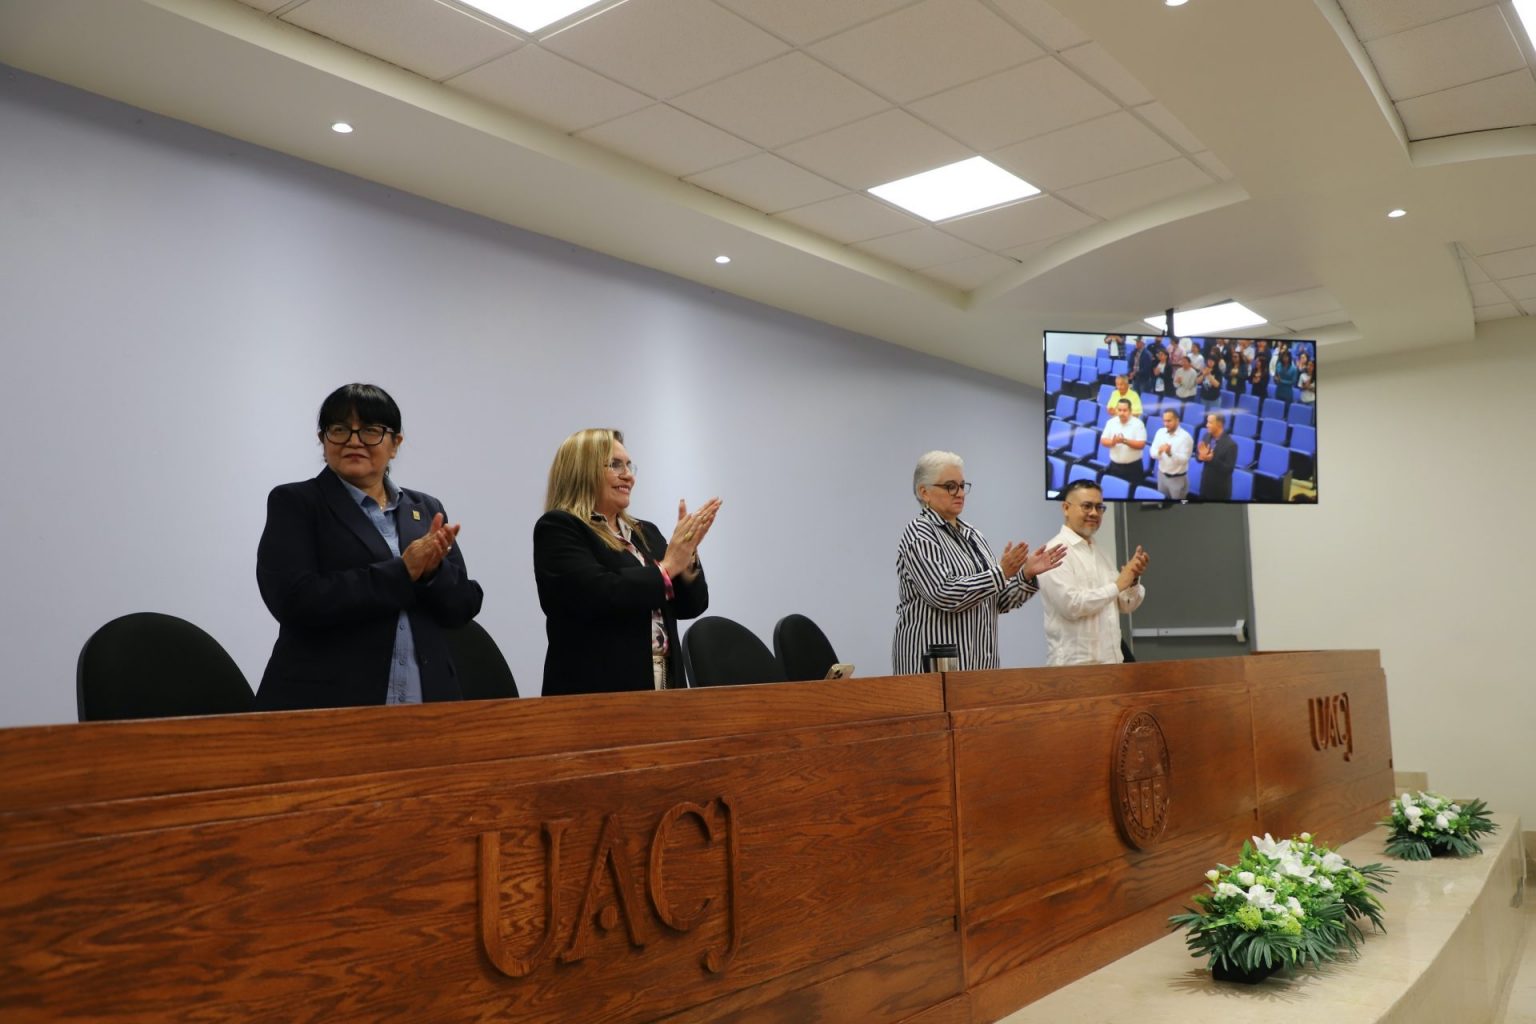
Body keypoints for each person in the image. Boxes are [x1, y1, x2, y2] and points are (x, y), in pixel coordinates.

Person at [255, 383, 483, 710]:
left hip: (427, 703)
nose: (354, 441)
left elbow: (462, 607)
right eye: (339, 429)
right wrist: (403, 571)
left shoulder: (425, 509)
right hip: (329, 704)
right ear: (323, 440)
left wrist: (432, 574)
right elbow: (295, 600)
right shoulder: (296, 502)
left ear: (395, 444)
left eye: (370, 431)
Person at [534, 428, 718, 695]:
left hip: (666, 685)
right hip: (597, 694)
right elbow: (598, 592)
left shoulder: (646, 532)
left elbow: (691, 606)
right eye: (615, 465)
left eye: (629, 466)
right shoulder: (559, 528)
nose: (628, 475)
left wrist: (687, 555)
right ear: (582, 470)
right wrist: (667, 567)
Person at [893, 451, 1065, 674]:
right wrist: (1001, 573)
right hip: (931, 672)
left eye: (962, 486)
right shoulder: (919, 533)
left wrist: (1026, 575)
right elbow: (943, 594)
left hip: (979, 668)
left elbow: (997, 600)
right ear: (924, 492)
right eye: (950, 486)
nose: (960, 493)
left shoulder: (974, 535)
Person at [1036, 480, 1149, 666]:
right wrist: (1117, 585)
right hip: (1075, 670)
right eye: (1087, 506)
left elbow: (1125, 605)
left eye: (1099, 507)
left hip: (1113, 664)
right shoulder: (1055, 551)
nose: (1094, 513)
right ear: (1066, 508)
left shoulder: (1101, 553)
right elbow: (1072, 606)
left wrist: (1132, 580)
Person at [1100, 399, 1147, 486]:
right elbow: (1103, 441)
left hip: (1133, 468)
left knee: (1133, 492)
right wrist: (1113, 442)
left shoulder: (1138, 424)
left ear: (1130, 411)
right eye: (1119, 410)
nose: (1122, 413)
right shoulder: (1111, 423)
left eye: (1125, 410)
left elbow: (1141, 445)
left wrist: (1124, 441)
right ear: (1116, 410)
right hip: (1115, 466)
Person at [1151, 408, 1194, 500]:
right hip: (1161, 476)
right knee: (1162, 503)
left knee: (1179, 505)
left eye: (1169, 421)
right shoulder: (1160, 432)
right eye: (1164, 421)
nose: (1166, 424)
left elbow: (1184, 460)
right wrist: (1159, 451)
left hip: (1177, 479)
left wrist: (1170, 453)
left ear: (1177, 420)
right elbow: (1152, 453)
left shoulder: (1186, 438)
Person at [1196, 411, 1239, 501]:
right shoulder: (1206, 436)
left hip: (1219, 492)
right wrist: (1200, 457)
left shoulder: (1231, 445)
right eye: (1207, 422)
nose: (1207, 425)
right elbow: (1198, 455)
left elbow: (1228, 469)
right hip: (1204, 487)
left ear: (1219, 424)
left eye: (1210, 422)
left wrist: (1211, 459)